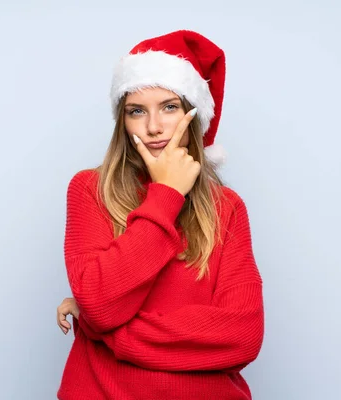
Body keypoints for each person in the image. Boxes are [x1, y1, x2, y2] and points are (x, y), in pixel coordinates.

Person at [56, 30, 264, 400]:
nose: (154, 127)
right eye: (137, 111)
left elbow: (242, 336)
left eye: (169, 107)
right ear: (123, 121)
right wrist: (166, 195)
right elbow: (101, 304)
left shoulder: (226, 207)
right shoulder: (90, 190)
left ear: (192, 115)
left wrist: (97, 327)